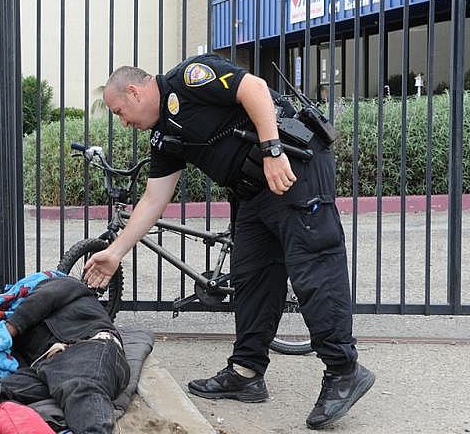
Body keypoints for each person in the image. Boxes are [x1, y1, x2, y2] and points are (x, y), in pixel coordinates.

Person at [82, 54, 374, 430]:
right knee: (251, 278)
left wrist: (272, 150)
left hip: (291, 167)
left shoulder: (189, 78)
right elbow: (154, 199)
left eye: (120, 112)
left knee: (314, 269)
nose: (123, 122)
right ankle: (246, 372)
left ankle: (343, 370)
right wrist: (114, 252)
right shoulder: (163, 137)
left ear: (135, 92)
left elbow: (252, 88)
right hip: (253, 191)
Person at [0, 274, 130, 434]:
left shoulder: (59, 284)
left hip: (89, 346)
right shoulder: (13, 329)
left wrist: (8, 328)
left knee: (80, 386)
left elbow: (44, 298)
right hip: (48, 369)